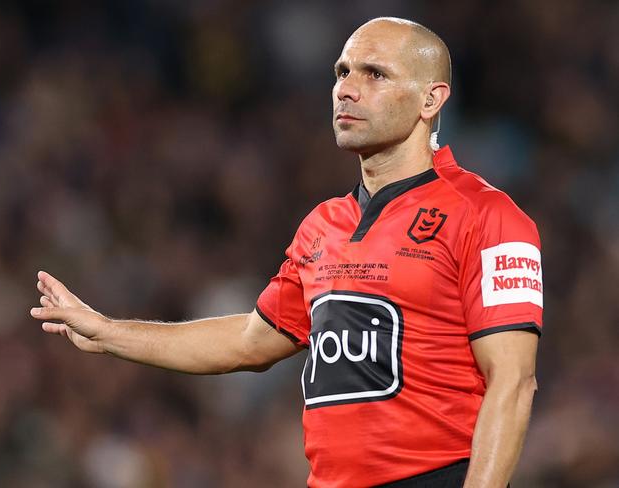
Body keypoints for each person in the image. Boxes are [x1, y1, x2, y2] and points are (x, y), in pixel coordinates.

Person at [30, 17, 542, 488]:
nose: (347, 88)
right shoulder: (323, 226)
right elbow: (250, 342)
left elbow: (513, 383)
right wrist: (109, 332)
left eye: (375, 74)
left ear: (431, 100)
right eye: (342, 71)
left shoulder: (487, 217)